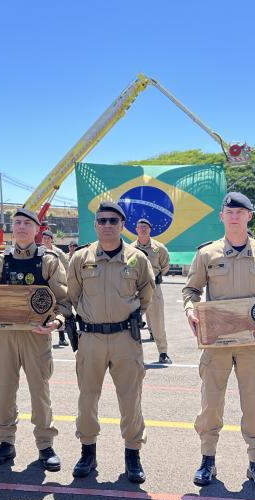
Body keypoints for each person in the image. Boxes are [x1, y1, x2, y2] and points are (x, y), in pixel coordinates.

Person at [182, 192, 255, 490]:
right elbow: (190, 290)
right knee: (211, 404)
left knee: (253, 406)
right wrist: (191, 310)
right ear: (221, 216)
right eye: (229, 211)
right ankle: (207, 460)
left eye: (240, 211)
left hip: (253, 344)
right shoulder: (207, 254)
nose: (234, 216)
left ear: (249, 216)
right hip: (216, 342)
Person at [0, 208, 70, 471]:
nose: (21, 227)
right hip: (6, 335)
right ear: (11, 228)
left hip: (36, 335)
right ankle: (5, 442)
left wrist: (57, 322)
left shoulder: (48, 260)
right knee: (5, 392)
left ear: (37, 229)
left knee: (40, 393)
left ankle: (45, 444)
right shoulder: (0, 261)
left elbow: (63, 299)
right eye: (17, 223)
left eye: (27, 223)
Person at [67, 201, 154, 483]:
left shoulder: (137, 259)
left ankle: (133, 455)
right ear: (95, 225)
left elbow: (146, 295)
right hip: (90, 337)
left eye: (113, 221)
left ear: (122, 225)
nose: (107, 225)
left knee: (130, 399)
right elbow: (74, 295)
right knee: (87, 397)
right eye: (102, 221)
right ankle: (87, 452)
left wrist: (126, 316)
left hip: (124, 338)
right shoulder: (80, 258)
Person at [131, 218, 172, 364]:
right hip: (134, 290)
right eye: (140, 226)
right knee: (132, 322)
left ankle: (163, 352)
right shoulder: (130, 248)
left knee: (157, 321)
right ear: (136, 229)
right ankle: (133, 354)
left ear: (150, 229)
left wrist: (158, 275)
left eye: (146, 227)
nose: (143, 229)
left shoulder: (159, 248)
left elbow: (165, 264)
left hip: (153, 288)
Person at [42, 229, 71, 347]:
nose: (46, 240)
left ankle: (62, 337)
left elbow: (66, 268)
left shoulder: (58, 252)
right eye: (44, 238)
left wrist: (65, 284)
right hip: (44, 285)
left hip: (56, 284)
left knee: (59, 309)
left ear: (52, 240)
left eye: (48, 238)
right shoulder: (39, 251)